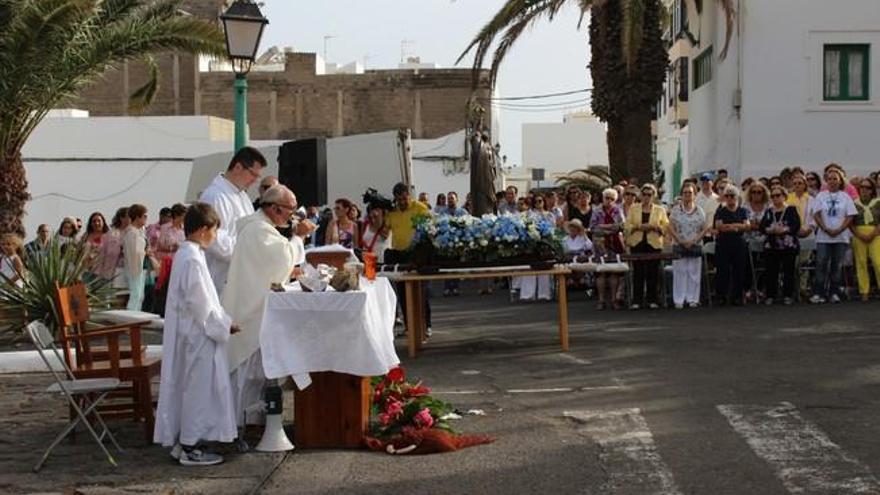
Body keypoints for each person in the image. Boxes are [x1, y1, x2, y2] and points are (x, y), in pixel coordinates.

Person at [154, 203, 239, 466]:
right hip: (197, 334)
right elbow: (200, 301)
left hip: (193, 332)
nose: (215, 237)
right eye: (214, 231)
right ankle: (190, 445)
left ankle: (186, 441)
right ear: (203, 230)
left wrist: (222, 321)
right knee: (198, 390)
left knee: (192, 387)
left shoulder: (189, 253)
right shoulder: (191, 257)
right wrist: (224, 325)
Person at [222, 185, 299, 430]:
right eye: (290, 209)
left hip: (253, 307)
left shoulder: (261, 228)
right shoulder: (257, 230)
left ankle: (252, 423)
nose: (293, 215)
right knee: (249, 375)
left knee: (257, 375)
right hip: (250, 313)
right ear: (275, 208)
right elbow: (283, 258)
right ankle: (240, 425)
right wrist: (299, 237)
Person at [199, 146, 266, 293]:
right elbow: (215, 241)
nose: (255, 181)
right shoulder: (215, 196)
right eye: (253, 174)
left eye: (257, 177)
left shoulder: (243, 196)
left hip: (240, 276)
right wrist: (249, 250)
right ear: (237, 167)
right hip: (219, 278)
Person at [386, 182, 433, 333]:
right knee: (403, 293)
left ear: (409, 196)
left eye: (404, 199)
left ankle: (426, 325)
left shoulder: (420, 209)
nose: (402, 202)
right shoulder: (392, 212)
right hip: (399, 254)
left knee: (420, 291)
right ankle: (409, 326)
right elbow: (384, 231)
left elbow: (428, 229)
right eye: (398, 200)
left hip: (417, 255)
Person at [808, 166, 856, 304]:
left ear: (840, 181)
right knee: (821, 263)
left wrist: (840, 229)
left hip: (841, 236)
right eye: (829, 179)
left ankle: (834, 292)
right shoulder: (821, 196)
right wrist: (825, 228)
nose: (832, 181)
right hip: (824, 236)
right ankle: (819, 292)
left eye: (835, 178)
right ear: (826, 181)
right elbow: (816, 214)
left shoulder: (845, 196)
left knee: (837, 265)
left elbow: (850, 216)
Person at [625, 184, 669, 310]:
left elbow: (666, 226)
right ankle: (637, 300)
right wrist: (638, 227)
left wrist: (654, 227)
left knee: (653, 272)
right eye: (644, 194)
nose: (646, 197)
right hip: (637, 243)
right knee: (638, 272)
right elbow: (627, 226)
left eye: (649, 195)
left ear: (653, 196)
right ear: (641, 195)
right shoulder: (634, 208)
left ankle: (652, 299)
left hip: (654, 244)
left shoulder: (660, 210)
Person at [760, 186, 801, 305]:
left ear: (784, 196)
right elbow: (762, 226)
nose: (775, 198)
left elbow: (796, 225)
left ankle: (788, 295)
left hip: (788, 244)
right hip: (772, 244)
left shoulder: (791, 209)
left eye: (778, 195)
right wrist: (770, 230)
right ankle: (770, 295)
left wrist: (784, 230)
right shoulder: (769, 211)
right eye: (773, 196)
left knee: (788, 271)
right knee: (771, 271)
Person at [668, 183, 707, 309]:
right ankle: (679, 299)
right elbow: (671, 227)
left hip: (694, 244)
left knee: (694, 273)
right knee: (680, 272)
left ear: (694, 195)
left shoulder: (699, 210)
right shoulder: (675, 210)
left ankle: (692, 299)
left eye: (690, 192)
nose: (687, 195)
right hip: (680, 244)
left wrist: (694, 241)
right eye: (685, 193)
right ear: (681, 194)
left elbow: (703, 228)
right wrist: (680, 240)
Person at [714, 185, 750, 305]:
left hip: (739, 244)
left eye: (732, 195)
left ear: (737, 196)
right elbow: (719, 226)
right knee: (722, 270)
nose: (730, 198)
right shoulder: (720, 211)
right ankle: (721, 296)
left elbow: (747, 226)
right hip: (723, 244)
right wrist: (736, 226)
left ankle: (737, 296)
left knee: (739, 270)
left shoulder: (743, 211)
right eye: (727, 196)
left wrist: (730, 226)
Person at [590, 188, 626, 310]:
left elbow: (621, 226)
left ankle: (614, 299)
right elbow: (593, 227)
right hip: (600, 246)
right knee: (601, 272)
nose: (609, 201)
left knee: (614, 272)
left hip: (615, 245)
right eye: (607, 198)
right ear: (603, 198)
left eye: (612, 198)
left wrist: (604, 227)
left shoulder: (617, 210)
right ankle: (601, 300)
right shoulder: (597, 211)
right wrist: (610, 228)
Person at [123, 204, 157, 311]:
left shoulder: (140, 232)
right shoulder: (132, 233)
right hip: (134, 268)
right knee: (136, 295)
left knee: (140, 295)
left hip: (141, 267)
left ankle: (136, 314)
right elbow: (135, 252)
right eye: (144, 216)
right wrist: (146, 253)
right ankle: (131, 316)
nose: (146, 219)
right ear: (137, 217)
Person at [851, 177, 880, 301]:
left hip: (876, 233)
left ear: (872, 190)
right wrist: (859, 234)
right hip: (859, 234)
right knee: (861, 262)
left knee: (878, 262)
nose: (864, 190)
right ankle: (864, 291)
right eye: (862, 187)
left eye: (867, 188)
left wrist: (873, 233)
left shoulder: (878, 202)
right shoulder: (854, 203)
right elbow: (850, 222)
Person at [438, 191, 468, 297]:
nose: (450, 200)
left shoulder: (463, 212)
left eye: (452, 198)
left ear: (457, 199)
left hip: (458, 241)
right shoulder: (442, 212)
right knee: (447, 264)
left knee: (455, 264)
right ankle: (447, 287)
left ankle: (455, 287)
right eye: (449, 198)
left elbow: (467, 224)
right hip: (446, 241)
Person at [96, 207, 130, 286]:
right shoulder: (110, 234)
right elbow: (101, 255)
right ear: (122, 218)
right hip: (112, 272)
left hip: (129, 272)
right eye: (129, 216)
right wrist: (98, 274)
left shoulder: (133, 233)